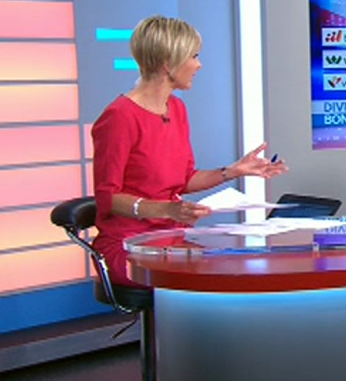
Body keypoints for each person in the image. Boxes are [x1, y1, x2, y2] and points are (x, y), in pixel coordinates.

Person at [92, 15, 286, 287]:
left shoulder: (177, 109)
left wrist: (233, 171)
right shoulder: (119, 117)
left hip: (172, 237)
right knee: (206, 283)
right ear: (167, 63)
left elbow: (183, 179)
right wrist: (167, 210)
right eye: (193, 56)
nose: (198, 64)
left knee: (239, 272)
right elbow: (108, 197)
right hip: (130, 244)